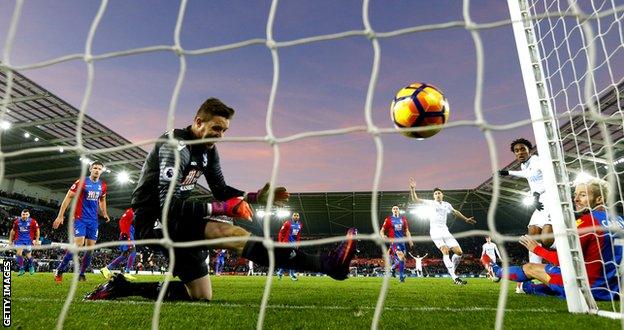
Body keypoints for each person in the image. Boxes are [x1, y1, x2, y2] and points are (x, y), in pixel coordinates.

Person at [85, 98, 357, 301]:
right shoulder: (175, 147)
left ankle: (123, 286)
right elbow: (170, 203)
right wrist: (223, 207)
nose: (220, 135)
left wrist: (255, 197)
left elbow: (220, 189)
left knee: (201, 296)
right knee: (229, 232)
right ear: (198, 122)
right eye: (216, 128)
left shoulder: (209, 152)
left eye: (224, 130)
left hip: (178, 215)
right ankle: (325, 264)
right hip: (154, 217)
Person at [484, 178, 622, 300]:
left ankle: (496, 271)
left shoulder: (586, 222)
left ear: (599, 199)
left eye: (583, 195)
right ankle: (530, 287)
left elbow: (563, 261)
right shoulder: (620, 221)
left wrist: (536, 249)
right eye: (575, 195)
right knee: (547, 283)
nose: (576, 199)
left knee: (530, 267)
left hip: (587, 288)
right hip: (614, 290)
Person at [409, 178, 476, 285]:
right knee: (445, 250)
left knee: (459, 253)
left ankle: (452, 270)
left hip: (445, 231)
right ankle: (455, 278)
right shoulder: (430, 203)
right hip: (435, 231)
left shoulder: (447, 204)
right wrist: (412, 189)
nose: (437, 194)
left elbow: (455, 212)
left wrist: (466, 219)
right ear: (433, 196)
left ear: (442, 194)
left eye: (439, 193)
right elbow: (416, 200)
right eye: (435, 193)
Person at [53, 161, 110, 282]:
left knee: (90, 249)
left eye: (99, 169)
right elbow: (68, 197)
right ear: (90, 169)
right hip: (80, 218)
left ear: (101, 171)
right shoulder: (81, 182)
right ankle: (60, 269)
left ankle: (82, 274)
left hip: (93, 221)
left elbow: (103, 199)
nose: (97, 170)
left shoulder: (103, 185)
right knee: (78, 244)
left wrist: (104, 212)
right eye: (95, 168)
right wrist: (60, 215)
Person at [100, 208, 136, 280]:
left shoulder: (132, 211)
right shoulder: (131, 212)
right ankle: (127, 272)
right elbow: (121, 221)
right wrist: (127, 236)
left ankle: (106, 269)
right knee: (133, 251)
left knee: (124, 255)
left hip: (126, 233)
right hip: (127, 233)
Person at [380, 206, 413, 282]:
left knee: (403, 260)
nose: (395, 210)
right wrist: (382, 235)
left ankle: (393, 268)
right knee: (401, 257)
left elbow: (407, 231)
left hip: (402, 242)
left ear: (399, 211)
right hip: (394, 241)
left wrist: (410, 240)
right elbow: (382, 230)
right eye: (394, 209)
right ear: (392, 211)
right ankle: (401, 277)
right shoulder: (388, 219)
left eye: (397, 209)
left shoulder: (403, 219)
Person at [8, 209, 40, 276]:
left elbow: (37, 230)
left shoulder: (33, 221)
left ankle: (31, 266)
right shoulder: (17, 221)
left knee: (28, 256)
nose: (24, 216)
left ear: (28, 215)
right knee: (19, 253)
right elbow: (13, 231)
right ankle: (21, 269)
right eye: (23, 214)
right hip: (19, 240)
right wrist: (10, 240)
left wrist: (37, 240)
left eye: (26, 214)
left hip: (28, 240)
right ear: (21, 214)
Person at [276, 212, 303, 281]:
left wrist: (297, 243)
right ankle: (292, 275)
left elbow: (298, 235)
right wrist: (280, 242)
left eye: (297, 215)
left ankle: (280, 272)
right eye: (295, 215)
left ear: (299, 217)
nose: (296, 216)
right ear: (292, 216)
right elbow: (280, 233)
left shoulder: (300, 225)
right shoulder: (287, 223)